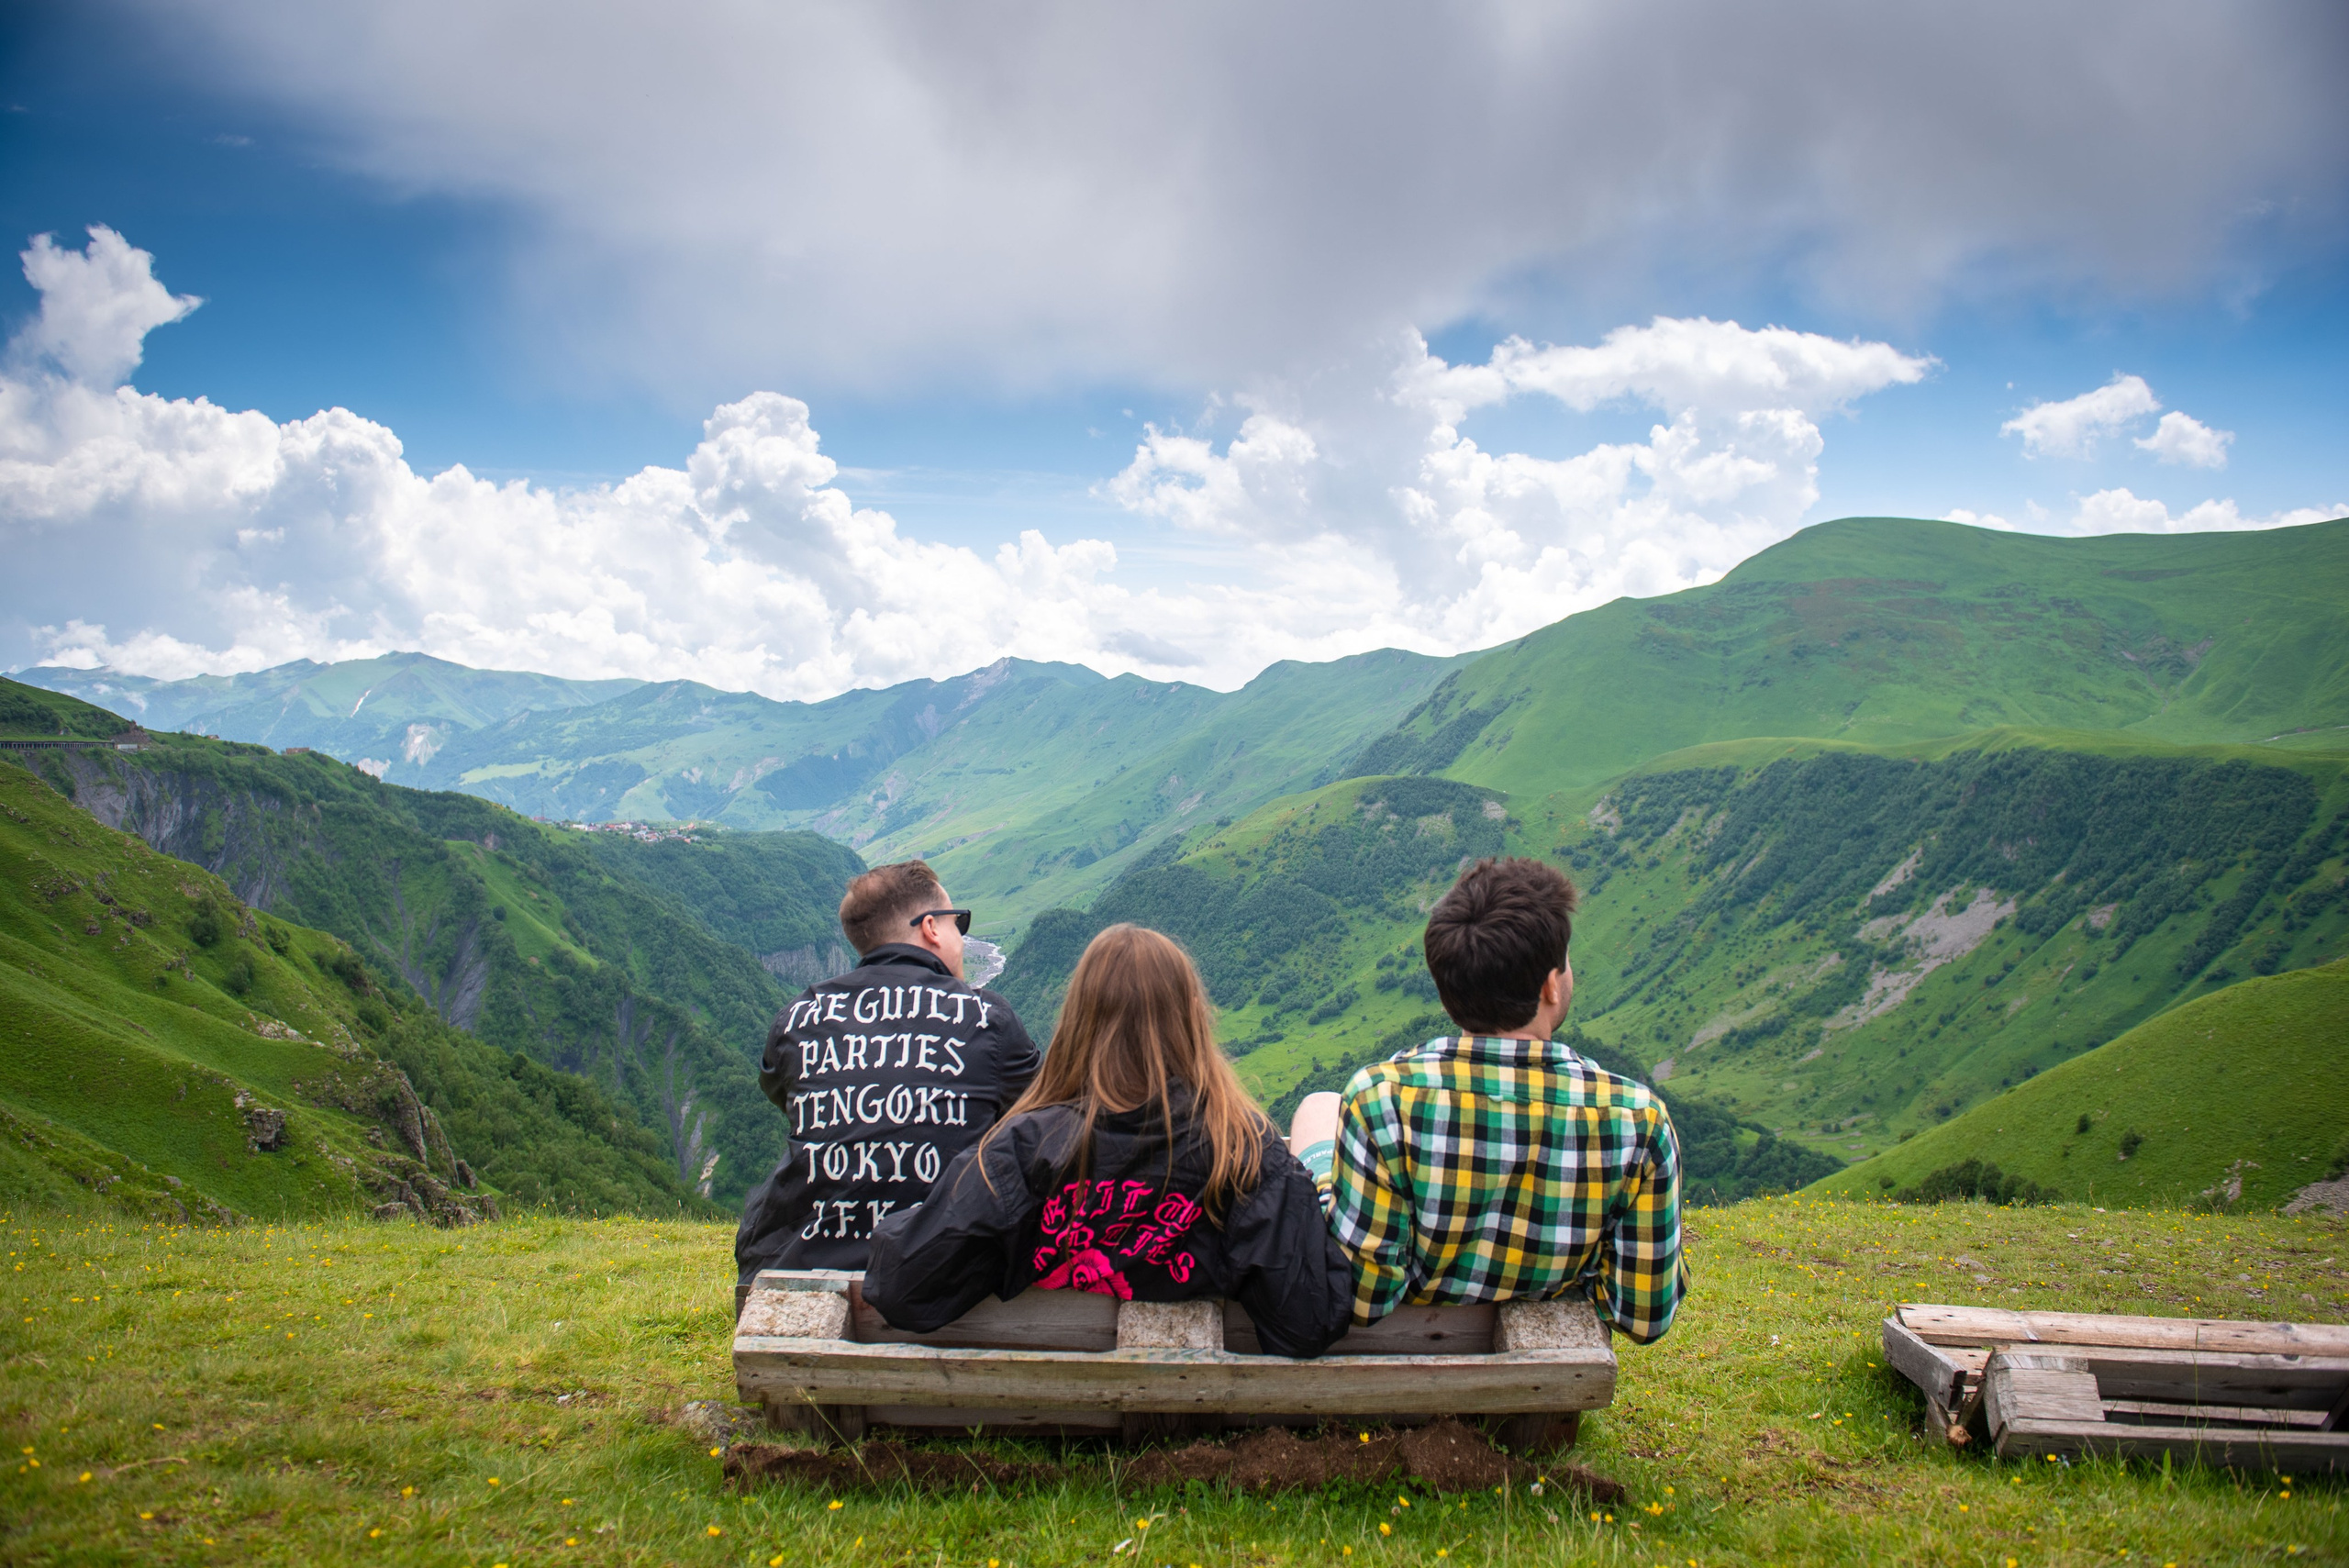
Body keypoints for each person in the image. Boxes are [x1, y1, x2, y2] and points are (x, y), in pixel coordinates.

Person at [863, 924, 1353, 1359]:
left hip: (1050, 1414)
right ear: (1193, 1018)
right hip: (1197, 1409)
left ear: (1078, 1021)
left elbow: (904, 1287)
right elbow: (1307, 1322)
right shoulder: (1240, 1146)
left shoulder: (1022, 1146)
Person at [1309, 856, 1687, 1342]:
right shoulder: (1639, 1122)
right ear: (1551, 985)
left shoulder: (1380, 1099)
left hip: (1409, 1362)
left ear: (1448, 992)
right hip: (1541, 1390)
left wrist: (1323, 1181)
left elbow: (1362, 1295)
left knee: (1317, 1107)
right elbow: (1644, 1317)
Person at [734, 860, 1039, 1285]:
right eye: (959, 923)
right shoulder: (987, 1019)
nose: (961, 937)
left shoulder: (798, 1018)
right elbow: (1042, 1112)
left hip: (801, 1271)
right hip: (943, 1278)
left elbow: (784, 1093)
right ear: (931, 927)